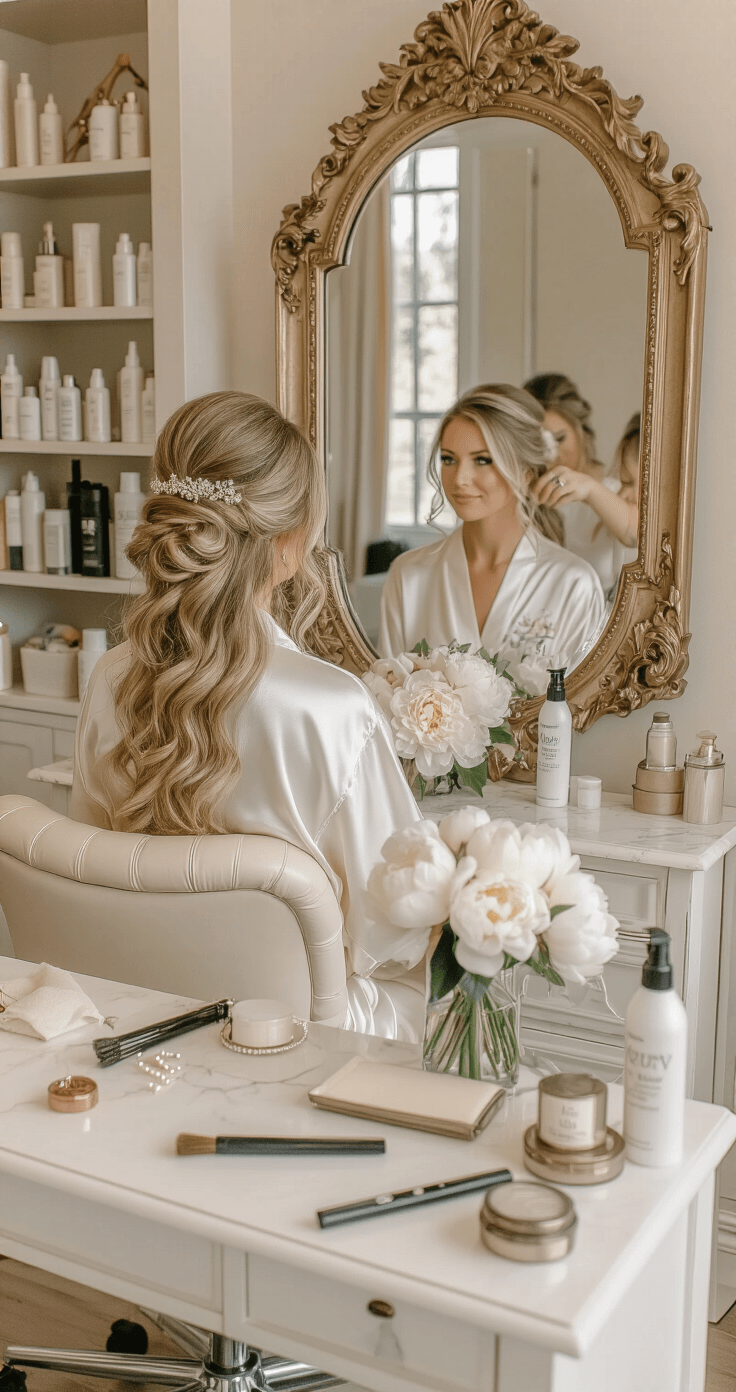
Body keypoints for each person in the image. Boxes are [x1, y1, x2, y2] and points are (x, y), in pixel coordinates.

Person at [70, 392, 429, 1042]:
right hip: (303, 1050)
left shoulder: (108, 678)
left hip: (135, 1029)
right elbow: (400, 939)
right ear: (288, 548)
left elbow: (88, 876)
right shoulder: (331, 708)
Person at [378, 385, 605, 694]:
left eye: (482, 460)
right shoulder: (408, 576)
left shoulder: (573, 585)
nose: (459, 479)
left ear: (525, 470)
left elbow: (580, 712)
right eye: (449, 459)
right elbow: (388, 701)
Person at [525, 374, 639, 594]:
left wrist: (590, 490)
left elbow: (638, 534)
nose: (552, 453)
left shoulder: (619, 491)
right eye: (539, 443)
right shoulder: (530, 501)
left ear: (581, 432)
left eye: (559, 438)